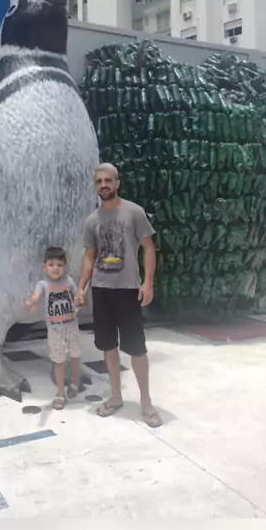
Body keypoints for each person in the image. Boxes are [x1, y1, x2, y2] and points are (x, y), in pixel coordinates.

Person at [75, 163, 162, 427]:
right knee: (107, 346)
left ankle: (146, 403)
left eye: (108, 180)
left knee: (137, 348)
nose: (103, 185)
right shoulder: (92, 220)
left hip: (128, 291)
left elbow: (148, 248)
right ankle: (115, 396)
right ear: (95, 185)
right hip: (101, 290)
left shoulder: (134, 212)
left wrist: (147, 283)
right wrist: (81, 287)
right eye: (99, 181)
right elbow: (89, 256)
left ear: (117, 183)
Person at [26, 247, 81, 410]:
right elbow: (36, 296)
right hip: (55, 331)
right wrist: (32, 302)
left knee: (75, 357)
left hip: (72, 328)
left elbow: (78, 296)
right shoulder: (42, 284)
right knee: (58, 361)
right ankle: (60, 393)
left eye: (59, 264)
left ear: (65, 267)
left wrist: (79, 301)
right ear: (44, 267)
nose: (55, 268)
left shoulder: (69, 282)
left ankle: (76, 383)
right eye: (51, 264)